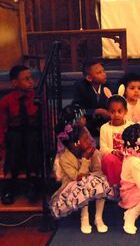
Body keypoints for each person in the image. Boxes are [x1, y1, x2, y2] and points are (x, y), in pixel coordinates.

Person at [49, 124, 114, 234]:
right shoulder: (65, 158)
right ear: (76, 144)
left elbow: (98, 171)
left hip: (91, 184)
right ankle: (84, 218)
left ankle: (98, 218)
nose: (90, 141)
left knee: (101, 180)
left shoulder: (94, 153)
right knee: (83, 183)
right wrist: (85, 159)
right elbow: (77, 178)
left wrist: (90, 176)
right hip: (71, 190)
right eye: (86, 139)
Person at [0, 65, 41, 205]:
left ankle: (33, 182)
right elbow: (2, 125)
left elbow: (45, 120)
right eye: (26, 79)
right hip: (15, 131)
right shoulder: (6, 101)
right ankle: (10, 185)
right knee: (15, 140)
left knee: (31, 139)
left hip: (33, 131)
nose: (31, 82)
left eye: (32, 78)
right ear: (14, 83)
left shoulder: (37, 98)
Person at [53, 103, 96, 182]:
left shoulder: (83, 130)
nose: (84, 119)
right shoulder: (65, 134)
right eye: (81, 117)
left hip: (81, 155)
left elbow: (91, 141)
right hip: (70, 161)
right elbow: (62, 150)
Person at [72, 57, 110, 138]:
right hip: (89, 123)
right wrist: (96, 111)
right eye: (99, 72)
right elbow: (77, 109)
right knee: (79, 120)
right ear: (89, 78)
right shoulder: (81, 87)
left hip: (106, 123)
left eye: (103, 71)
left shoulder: (109, 86)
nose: (104, 74)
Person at [100, 95, 133, 186]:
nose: (116, 115)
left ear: (125, 111)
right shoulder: (104, 128)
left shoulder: (131, 126)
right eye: (112, 112)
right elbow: (103, 149)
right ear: (108, 112)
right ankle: (116, 186)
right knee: (108, 159)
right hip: (113, 161)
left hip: (127, 159)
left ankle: (128, 185)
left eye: (119, 111)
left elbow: (135, 145)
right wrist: (113, 152)